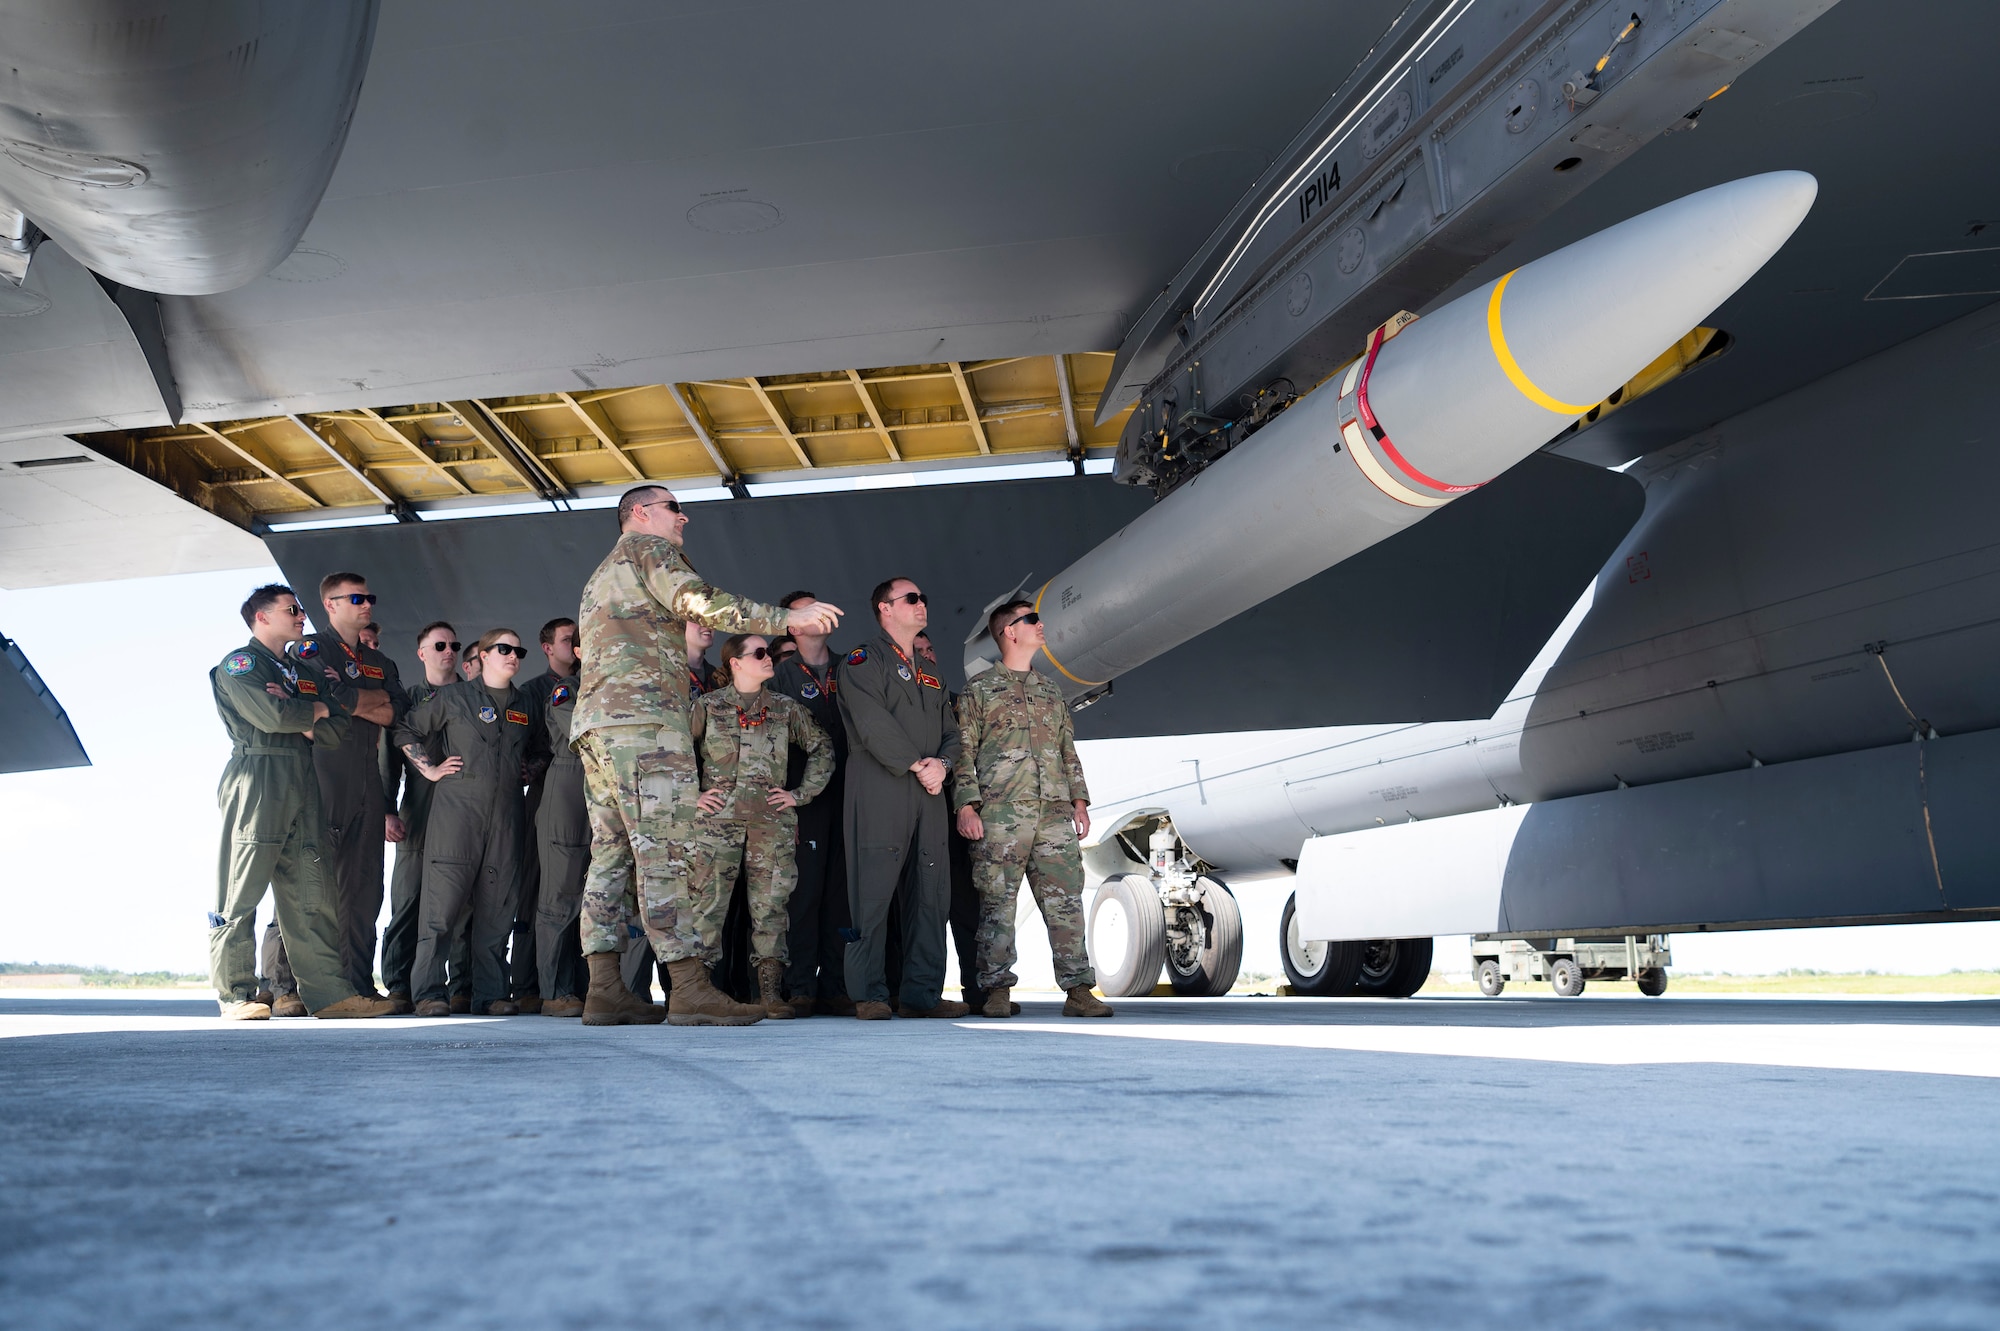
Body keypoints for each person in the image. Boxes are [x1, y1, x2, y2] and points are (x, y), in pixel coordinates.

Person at [572, 484, 842, 1025]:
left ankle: (604, 988)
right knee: (666, 852)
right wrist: (787, 618)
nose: (684, 518)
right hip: (645, 724)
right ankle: (689, 986)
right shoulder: (649, 551)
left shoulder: (602, 573)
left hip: (601, 725)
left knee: (612, 854)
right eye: (674, 508)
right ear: (641, 513)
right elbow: (701, 601)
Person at [207, 585, 392, 1020]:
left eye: (301, 609)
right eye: (291, 609)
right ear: (262, 618)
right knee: (241, 887)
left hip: (303, 777)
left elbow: (336, 729)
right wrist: (310, 712)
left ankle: (330, 995)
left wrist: (303, 708)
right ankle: (235, 994)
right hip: (258, 777)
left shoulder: (297, 671)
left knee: (313, 889)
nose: (301, 616)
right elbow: (271, 718)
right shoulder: (241, 665)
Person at [953, 601, 1113, 1018]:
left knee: (1066, 905)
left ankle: (1079, 991)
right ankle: (996, 992)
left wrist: (1079, 800)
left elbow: (1066, 750)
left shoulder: (1050, 689)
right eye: (1031, 620)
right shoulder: (979, 690)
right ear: (1009, 631)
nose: (1041, 626)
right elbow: (963, 752)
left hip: (1054, 814)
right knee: (997, 905)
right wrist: (966, 806)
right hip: (1000, 816)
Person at [836, 577, 966, 1021]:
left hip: (929, 790)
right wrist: (918, 764)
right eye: (911, 598)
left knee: (931, 893)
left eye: (923, 597)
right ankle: (869, 993)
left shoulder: (931, 672)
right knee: (871, 892)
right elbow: (873, 724)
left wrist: (942, 766)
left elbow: (952, 732)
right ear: (885, 609)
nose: (921, 603)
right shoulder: (862, 661)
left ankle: (922, 993)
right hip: (881, 785)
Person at [395, 628, 539, 1017]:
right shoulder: (454, 697)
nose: (513, 656)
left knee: (497, 911)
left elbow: (541, 748)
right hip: (457, 814)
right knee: (440, 911)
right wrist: (429, 769)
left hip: (506, 816)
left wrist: (528, 768)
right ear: (484, 655)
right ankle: (428, 994)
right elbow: (406, 730)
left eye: (518, 650)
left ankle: (490, 995)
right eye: (505, 649)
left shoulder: (525, 704)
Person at [691, 635, 833, 1019]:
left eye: (768, 652)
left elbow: (822, 748)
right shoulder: (706, 706)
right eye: (758, 653)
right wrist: (693, 795)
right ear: (735, 663)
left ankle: (768, 994)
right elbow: (676, 754)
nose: (768, 657)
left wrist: (800, 794)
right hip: (716, 824)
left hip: (771, 823)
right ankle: (697, 991)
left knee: (771, 907)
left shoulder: (786, 708)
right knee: (708, 906)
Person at [299, 572, 409, 1000]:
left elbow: (395, 712)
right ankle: (288, 986)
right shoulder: (308, 649)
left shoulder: (382, 663)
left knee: (365, 888)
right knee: (312, 883)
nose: (367, 604)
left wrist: (346, 700)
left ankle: (357, 985)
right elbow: (318, 702)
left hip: (367, 779)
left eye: (370, 597)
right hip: (323, 775)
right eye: (357, 598)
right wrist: (362, 701)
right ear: (330, 604)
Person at [769, 589, 852, 1017]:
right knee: (802, 895)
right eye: (806, 612)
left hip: (848, 796)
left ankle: (835, 986)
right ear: (790, 625)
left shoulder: (851, 668)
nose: (818, 616)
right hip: (801, 798)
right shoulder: (778, 675)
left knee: (842, 895)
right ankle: (800, 986)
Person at [379, 622, 462, 1013]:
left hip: (464, 815)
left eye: (454, 645)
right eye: (440, 645)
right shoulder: (410, 700)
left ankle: (458, 986)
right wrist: (388, 810)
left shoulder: (472, 697)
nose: (449, 651)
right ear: (422, 653)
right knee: (408, 899)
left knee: (459, 906)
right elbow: (391, 762)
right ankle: (399, 986)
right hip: (419, 809)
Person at [915, 628, 992, 1013]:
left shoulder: (959, 703)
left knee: (967, 908)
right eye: (919, 651)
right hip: (916, 819)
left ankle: (977, 992)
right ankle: (919, 992)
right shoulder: (901, 709)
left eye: (930, 649)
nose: (927, 656)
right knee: (922, 910)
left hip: (958, 819)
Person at [507, 617, 581, 1012]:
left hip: (582, 791)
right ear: (548, 647)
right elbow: (521, 749)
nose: (573, 646)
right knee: (538, 890)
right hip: (547, 794)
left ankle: (578, 983)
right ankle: (530, 984)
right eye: (566, 640)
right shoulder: (537, 691)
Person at [527, 617, 588, 1017]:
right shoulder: (567, 690)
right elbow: (585, 737)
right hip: (569, 791)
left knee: (597, 900)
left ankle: (591, 987)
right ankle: (554, 991)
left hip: (603, 796)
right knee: (559, 897)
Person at [685, 620, 721, 697]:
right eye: (697, 618)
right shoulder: (667, 674)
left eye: (709, 618)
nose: (707, 624)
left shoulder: (718, 677)